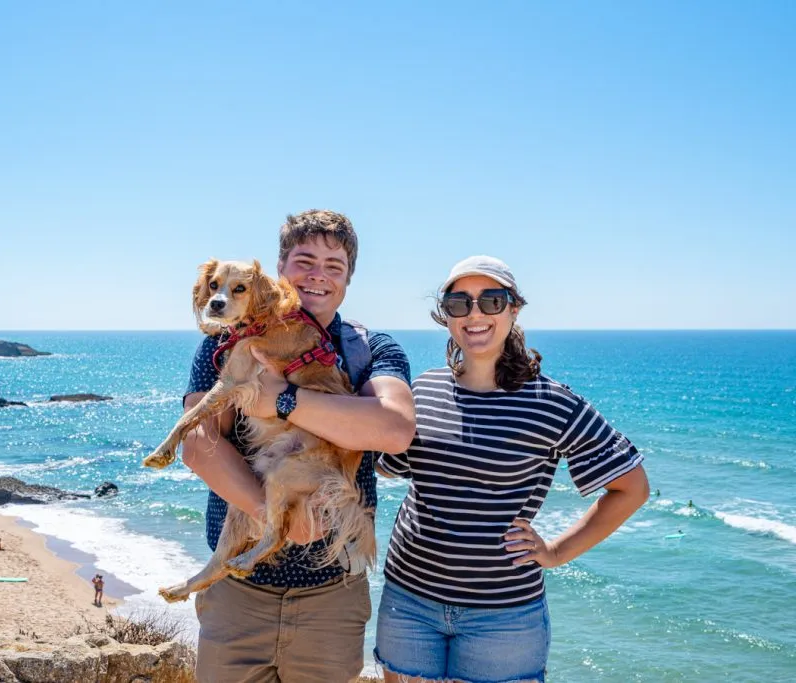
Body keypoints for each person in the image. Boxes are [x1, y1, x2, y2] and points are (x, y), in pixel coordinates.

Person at [375, 256, 649, 683]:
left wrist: (556, 552)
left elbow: (631, 487)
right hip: (408, 601)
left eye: (492, 300)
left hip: (502, 616)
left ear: (514, 309)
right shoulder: (423, 390)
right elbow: (391, 466)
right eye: (459, 303)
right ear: (446, 315)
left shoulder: (551, 402)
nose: (476, 314)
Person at [180, 210, 416, 682]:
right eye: (304, 260)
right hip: (237, 590)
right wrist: (277, 519)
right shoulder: (228, 341)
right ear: (278, 269)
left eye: (334, 265)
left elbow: (392, 429)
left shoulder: (369, 349)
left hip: (331, 595)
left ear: (349, 278)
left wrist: (283, 399)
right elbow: (198, 443)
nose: (317, 276)